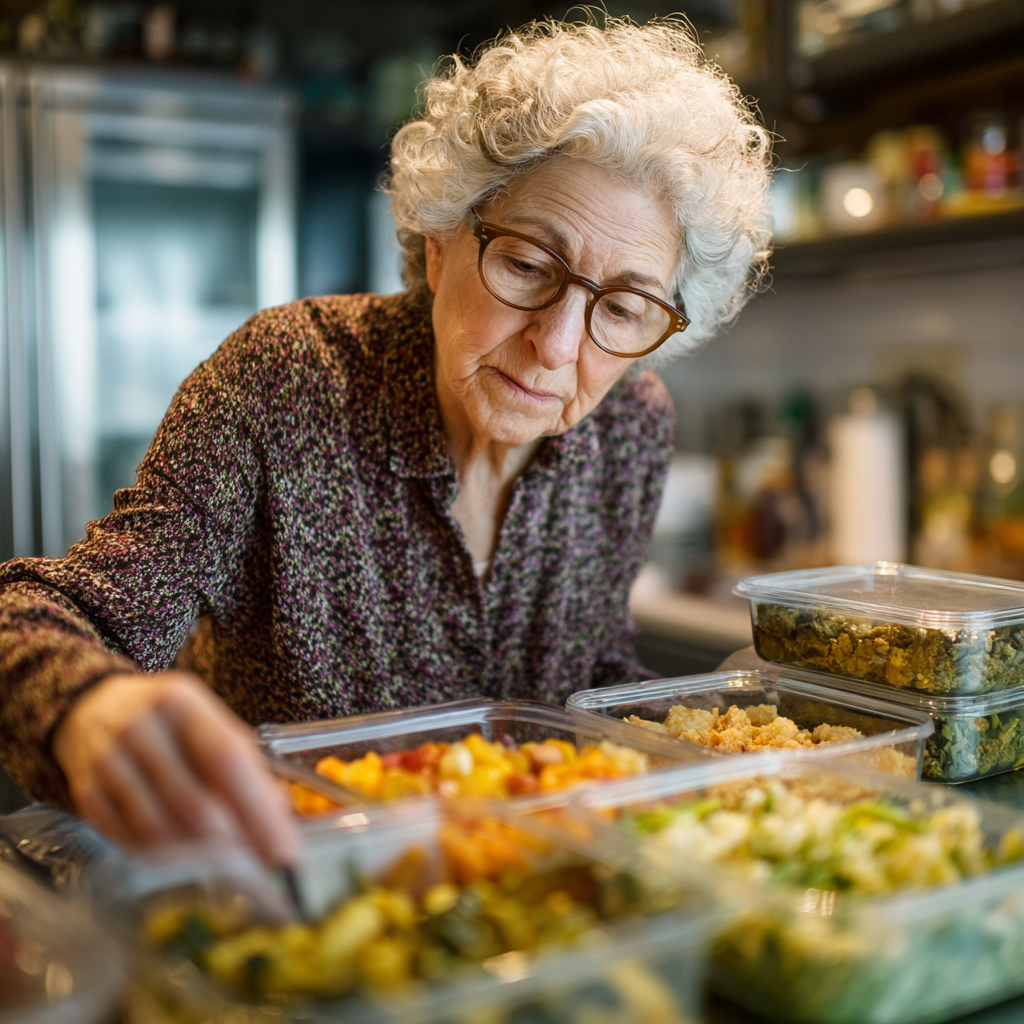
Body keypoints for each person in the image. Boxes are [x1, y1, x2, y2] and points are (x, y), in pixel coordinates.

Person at [0, 16, 770, 863]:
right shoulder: (287, 379)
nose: (556, 346)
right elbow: (49, 616)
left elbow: (587, 685)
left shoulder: (630, 426)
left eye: (622, 309)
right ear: (442, 240)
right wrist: (86, 708)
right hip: (299, 897)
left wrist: (726, 719)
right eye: (525, 264)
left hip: (538, 895)